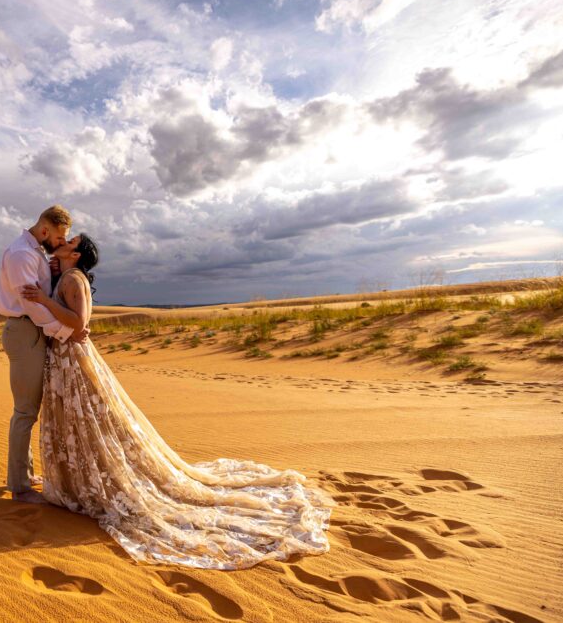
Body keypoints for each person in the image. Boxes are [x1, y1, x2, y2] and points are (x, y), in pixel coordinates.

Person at [19, 233, 333, 570]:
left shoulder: (72, 278)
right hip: (67, 356)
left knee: (88, 419)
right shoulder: (66, 275)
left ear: (76, 253)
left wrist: (43, 299)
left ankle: (87, 484)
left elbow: (79, 323)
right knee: (80, 420)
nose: (63, 240)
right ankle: (75, 481)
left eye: (70, 239)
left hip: (72, 358)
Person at [0, 205, 89, 505]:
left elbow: (45, 296)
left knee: (30, 409)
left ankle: (26, 475)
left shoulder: (36, 253)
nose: (61, 243)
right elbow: (33, 306)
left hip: (36, 332)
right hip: (26, 332)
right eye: (60, 237)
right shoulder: (22, 254)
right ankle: (20, 487)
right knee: (25, 411)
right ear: (45, 231)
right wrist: (65, 331)